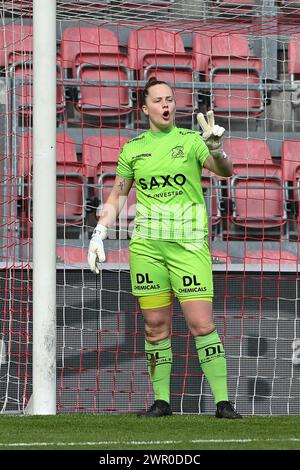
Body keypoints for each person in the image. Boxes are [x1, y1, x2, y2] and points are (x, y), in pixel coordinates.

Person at [88, 77, 242, 419]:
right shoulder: (133, 149)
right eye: (158, 100)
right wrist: (99, 232)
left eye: (169, 99)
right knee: (155, 326)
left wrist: (217, 149)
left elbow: (224, 171)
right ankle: (162, 402)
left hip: (188, 245)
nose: (165, 105)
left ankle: (223, 402)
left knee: (201, 324)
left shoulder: (192, 140)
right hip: (146, 247)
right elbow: (118, 194)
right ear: (145, 108)